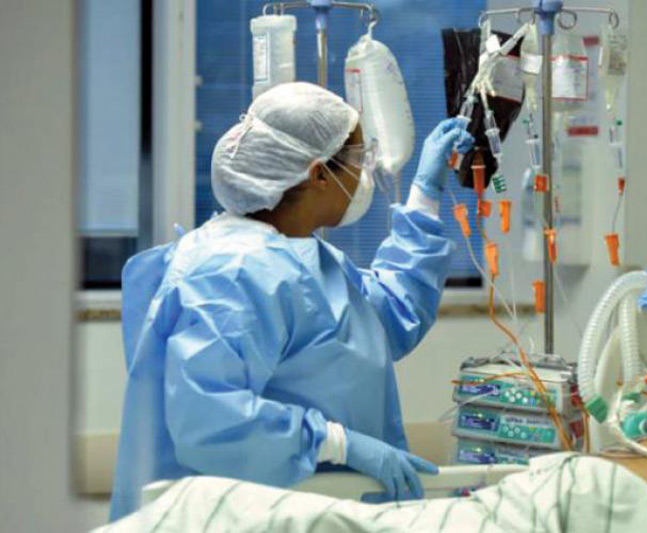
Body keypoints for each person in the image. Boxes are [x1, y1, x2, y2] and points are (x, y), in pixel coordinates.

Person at [109, 82, 474, 520]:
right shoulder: (230, 272)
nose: (364, 173)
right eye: (358, 159)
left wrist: (424, 196)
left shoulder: (304, 258)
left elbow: (388, 319)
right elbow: (208, 419)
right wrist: (336, 444)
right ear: (319, 175)